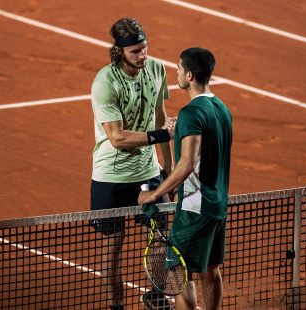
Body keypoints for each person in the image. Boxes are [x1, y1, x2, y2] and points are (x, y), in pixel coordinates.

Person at [138, 47, 233, 310]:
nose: (176, 73)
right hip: (217, 206)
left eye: (179, 69)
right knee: (211, 270)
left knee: (177, 272)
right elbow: (207, 149)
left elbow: (187, 164)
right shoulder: (221, 109)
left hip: (194, 208)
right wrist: (180, 127)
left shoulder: (191, 113)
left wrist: (154, 194)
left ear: (189, 75)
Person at [90, 18, 174, 310]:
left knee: (160, 239)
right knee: (112, 247)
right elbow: (117, 138)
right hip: (110, 176)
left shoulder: (156, 69)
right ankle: (117, 306)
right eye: (136, 51)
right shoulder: (105, 82)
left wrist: (170, 168)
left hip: (148, 172)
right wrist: (159, 135)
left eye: (145, 48)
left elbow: (161, 116)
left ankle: (156, 296)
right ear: (120, 51)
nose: (143, 55)